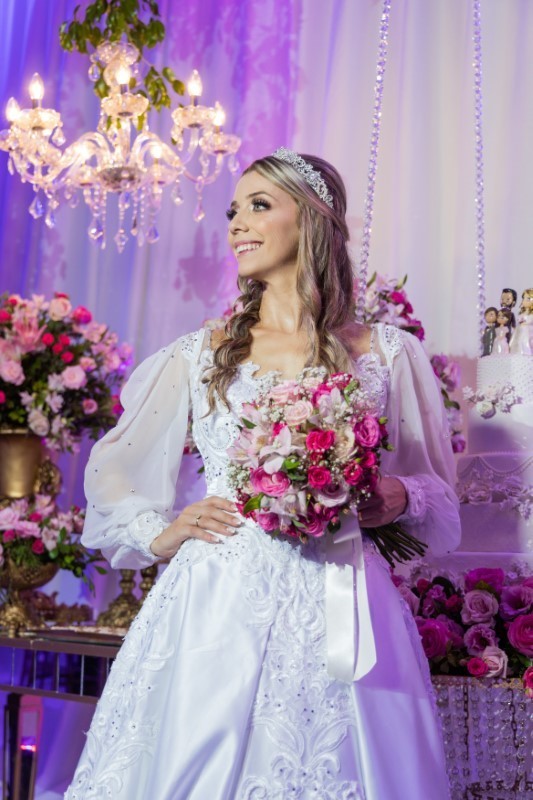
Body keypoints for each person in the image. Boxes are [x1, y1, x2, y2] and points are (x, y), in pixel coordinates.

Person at [66, 149, 460, 800]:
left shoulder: (388, 353)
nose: (236, 225)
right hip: (216, 602)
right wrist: (159, 531)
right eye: (232, 211)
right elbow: (113, 468)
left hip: (343, 597)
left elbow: (437, 489)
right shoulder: (202, 353)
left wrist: (398, 493)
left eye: (257, 206)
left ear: (310, 219)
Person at [510, 288, 533, 355]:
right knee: (517, 341)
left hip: (527, 331)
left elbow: (530, 320)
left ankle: (527, 353)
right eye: (523, 298)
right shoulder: (522, 313)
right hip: (519, 330)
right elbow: (519, 320)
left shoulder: (531, 314)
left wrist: (525, 322)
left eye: (528, 299)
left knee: (525, 341)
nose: (524, 301)